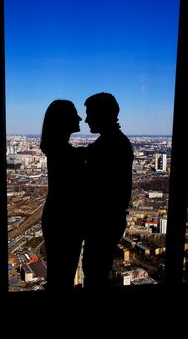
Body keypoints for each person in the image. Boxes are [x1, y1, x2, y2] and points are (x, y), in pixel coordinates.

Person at [82, 92, 134, 289]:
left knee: (95, 274)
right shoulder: (112, 142)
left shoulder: (111, 144)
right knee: (96, 272)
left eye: (90, 114)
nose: (86, 119)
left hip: (103, 223)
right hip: (107, 222)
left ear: (102, 115)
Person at [40, 99, 84, 291]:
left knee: (59, 277)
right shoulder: (64, 152)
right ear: (62, 119)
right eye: (74, 114)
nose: (80, 117)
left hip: (58, 217)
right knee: (63, 278)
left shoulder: (58, 149)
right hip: (65, 220)